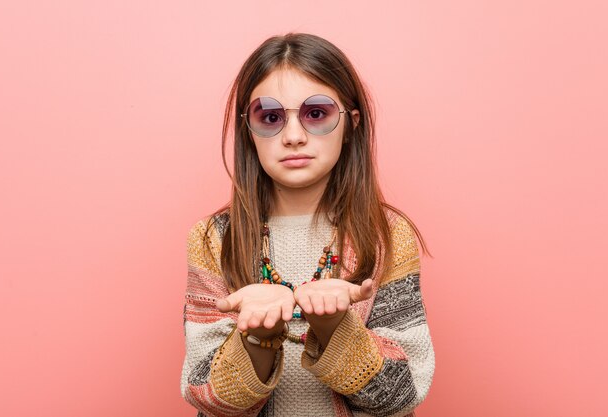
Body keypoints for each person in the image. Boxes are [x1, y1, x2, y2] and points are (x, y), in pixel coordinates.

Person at [181, 33, 435, 417]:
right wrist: (258, 337)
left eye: (316, 113)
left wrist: (335, 327)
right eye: (270, 117)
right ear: (248, 131)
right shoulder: (215, 239)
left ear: (351, 123)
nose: (294, 137)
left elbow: (402, 395)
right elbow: (207, 395)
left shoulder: (386, 235)